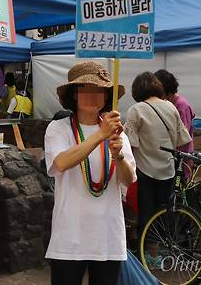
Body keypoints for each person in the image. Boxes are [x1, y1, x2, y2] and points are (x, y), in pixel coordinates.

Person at [44, 61, 136, 285]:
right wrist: (100, 135)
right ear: (74, 94)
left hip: (108, 236)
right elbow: (62, 163)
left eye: (99, 89)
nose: (93, 94)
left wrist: (119, 156)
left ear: (107, 95)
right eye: (85, 88)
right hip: (69, 237)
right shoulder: (59, 128)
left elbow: (128, 179)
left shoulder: (118, 135)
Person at [124, 72, 191, 258]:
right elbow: (181, 138)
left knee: (146, 212)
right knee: (165, 210)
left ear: (137, 90)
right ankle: (163, 250)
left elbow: (131, 143)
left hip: (145, 169)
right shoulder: (171, 107)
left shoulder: (136, 110)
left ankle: (151, 255)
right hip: (168, 168)